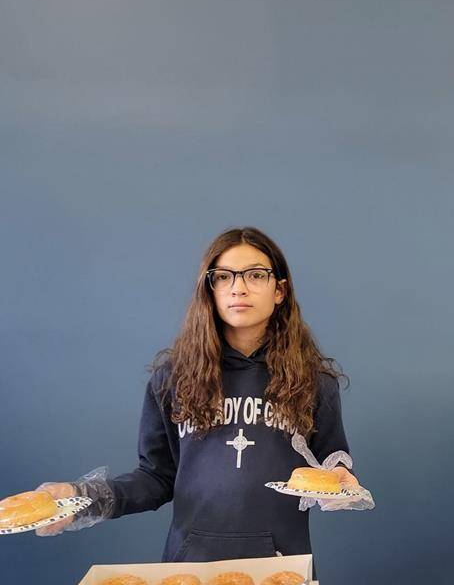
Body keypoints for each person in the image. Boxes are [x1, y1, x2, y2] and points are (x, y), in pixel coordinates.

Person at [34, 227, 359, 561]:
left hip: (281, 566)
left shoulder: (312, 380)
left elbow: (332, 464)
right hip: (190, 568)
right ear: (210, 290)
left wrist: (340, 479)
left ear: (279, 290)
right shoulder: (173, 378)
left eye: (256, 275)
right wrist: (84, 499)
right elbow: (156, 477)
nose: (239, 287)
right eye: (223, 277)